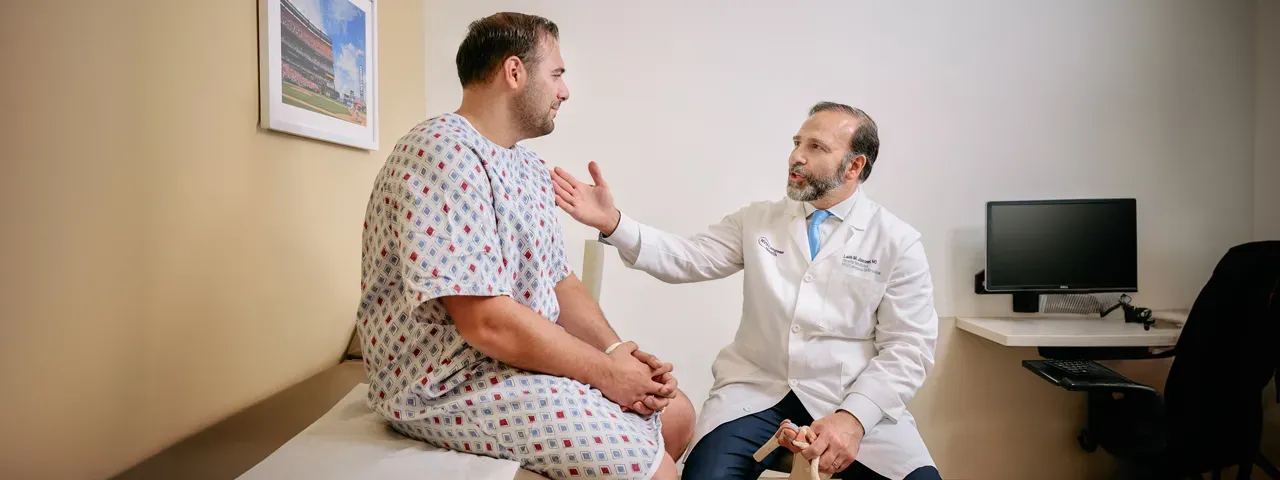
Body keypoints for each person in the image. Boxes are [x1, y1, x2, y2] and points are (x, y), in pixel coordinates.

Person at [355, 12, 693, 480]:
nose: (564, 90)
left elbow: (559, 280)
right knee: (658, 472)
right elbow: (487, 323)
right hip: (448, 381)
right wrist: (606, 375)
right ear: (514, 73)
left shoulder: (529, 168)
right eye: (556, 74)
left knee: (678, 416)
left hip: (510, 363)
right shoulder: (442, 151)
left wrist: (618, 350)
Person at [551, 102, 942, 480]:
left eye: (816, 147)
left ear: (855, 165)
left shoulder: (896, 241)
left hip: (850, 400)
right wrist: (614, 223)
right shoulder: (758, 220)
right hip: (756, 394)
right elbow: (687, 258)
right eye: (796, 143)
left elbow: (909, 347)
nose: (796, 157)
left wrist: (854, 419)